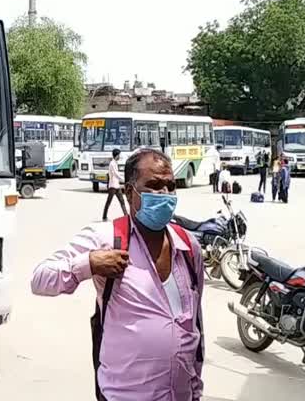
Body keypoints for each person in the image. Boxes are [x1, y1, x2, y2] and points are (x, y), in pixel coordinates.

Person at [31, 149, 205, 400]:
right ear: (129, 192)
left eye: (170, 186)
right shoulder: (106, 238)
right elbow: (40, 278)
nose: (164, 194)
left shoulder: (188, 247)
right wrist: (88, 264)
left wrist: (196, 389)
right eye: (154, 186)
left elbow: (196, 324)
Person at [102, 149, 128, 221]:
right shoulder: (112, 163)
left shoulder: (115, 163)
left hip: (117, 185)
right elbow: (115, 174)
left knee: (122, 201)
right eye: (119, 155)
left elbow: (117, 174)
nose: (120, 156)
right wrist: (123, 180)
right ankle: (104, 216)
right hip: (113, 186)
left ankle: (126, 216)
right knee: (109, 202)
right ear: (116, 155)